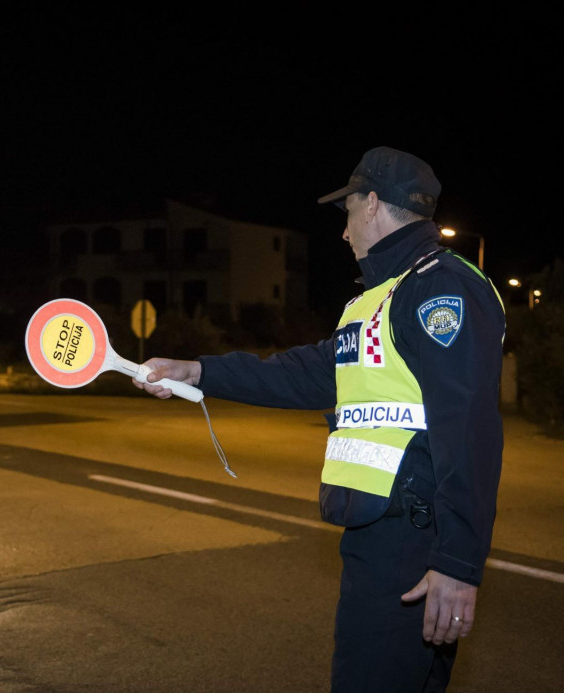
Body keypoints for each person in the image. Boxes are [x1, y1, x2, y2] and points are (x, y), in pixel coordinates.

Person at [134, 146, 505, 692]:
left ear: (374, 203)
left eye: (349, 212)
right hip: (376, 536)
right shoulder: (375, 301)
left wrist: (457, 563)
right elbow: (305, 373)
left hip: (411, 545)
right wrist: (198, 372)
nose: (344, 231)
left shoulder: (439, 288)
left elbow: (469, 432)